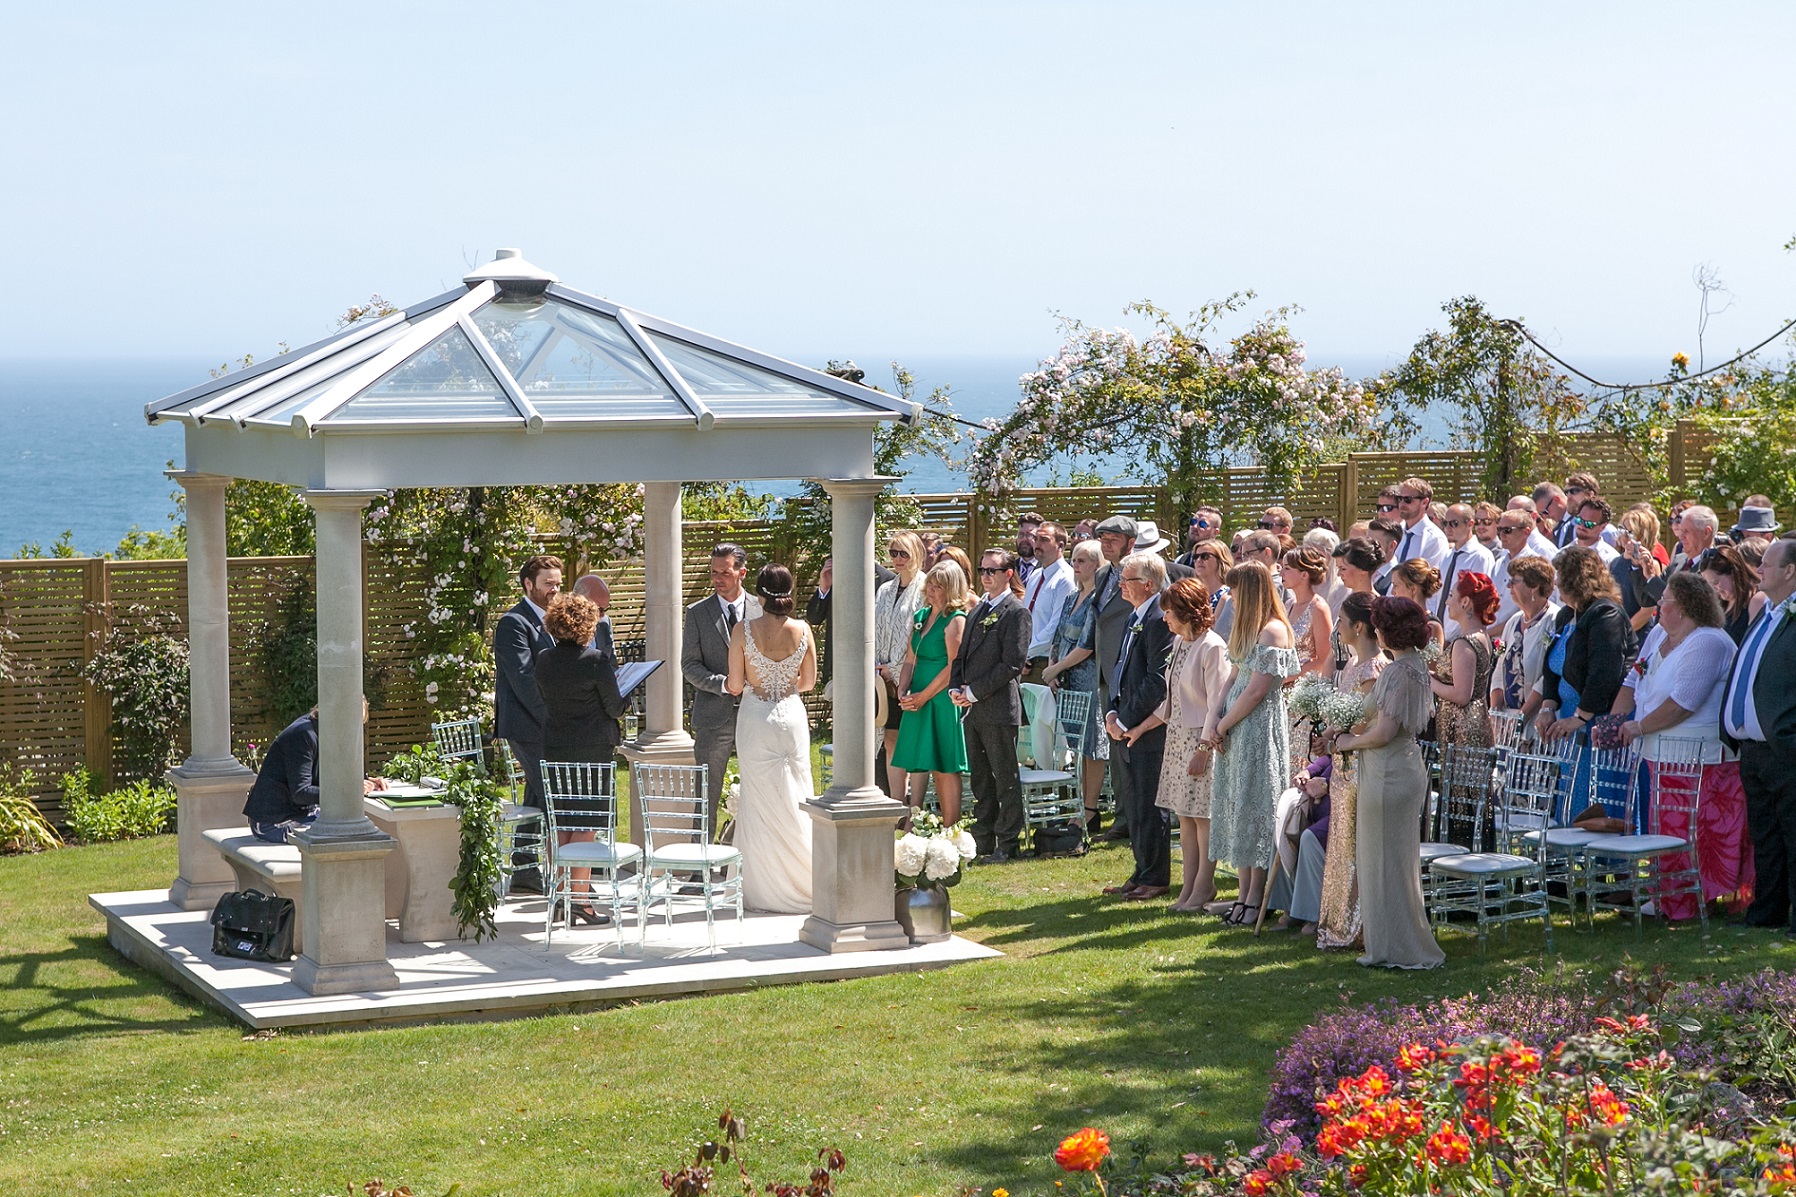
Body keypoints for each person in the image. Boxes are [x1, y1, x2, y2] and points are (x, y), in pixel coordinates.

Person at [1615, 572, 1747, 920]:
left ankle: (1692, 900)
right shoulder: (1659, 633)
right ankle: (1665, 895)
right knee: (1664, 828)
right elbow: (1633, 678)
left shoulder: (1708, 642)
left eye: (1666, 599)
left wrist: (1638, 726)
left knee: (1694, 833)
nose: (1659, 604)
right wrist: (1615, 721)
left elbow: (1683, 702)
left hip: (1700, 760)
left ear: (1686, 606)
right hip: (1658, 755)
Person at [1334, 597, 1446, 970]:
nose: (1376, 630)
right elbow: (1374, 718)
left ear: (1387, 631)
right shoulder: (1412, 664)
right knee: (1390, 862)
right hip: (1398, 769)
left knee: (1386, 864)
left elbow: (1383, 732)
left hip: (1389, 772)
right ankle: (1387, 945)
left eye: (1379, 625)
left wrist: (1349, 742)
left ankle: (1399, 948)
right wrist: (1342, 728)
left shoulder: (1399, 671)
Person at [1124, 577, 1231, 912]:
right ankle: (1188, 887)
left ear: (1187, 611)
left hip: (1201, 738)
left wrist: (1204, 747)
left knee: (1203, 817)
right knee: (1185, 816)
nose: (1165, 618)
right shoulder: (1182, 642)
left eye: (1169, 611)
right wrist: (1140, 728)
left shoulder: (1212, 646)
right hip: (1177, 736)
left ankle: (1203, 887)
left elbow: (1217, 700)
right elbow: (1171, 701)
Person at [1206, 561, 1299, 926]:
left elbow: (1258, 690)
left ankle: (1257, 898)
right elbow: (1232, 678)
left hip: (1257, 731)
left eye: (1236, 590)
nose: (1231, 598)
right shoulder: (1248, 629)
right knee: (1238, 807)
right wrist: (1214, 721)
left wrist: (1225, 722)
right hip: (1235, 730)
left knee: (1256, 806)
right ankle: (1243, 895)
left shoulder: (1273, 631)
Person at [724, 563, 817, 914]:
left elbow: (734, 684)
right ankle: (807, 877)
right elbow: (808, 683)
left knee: (759, 798)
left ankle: (763, 888)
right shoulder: (803, 629)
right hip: (791, 716)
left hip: (755, 717)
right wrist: (786, 683)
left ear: (760, 595)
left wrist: (752, 682)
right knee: (798, 794)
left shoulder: (743, 630)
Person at [534, 592, 629, 927]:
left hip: (557, 746)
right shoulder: (596, 661)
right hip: (591, 749)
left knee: (562, 824)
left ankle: (561, 896)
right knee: (586, 824)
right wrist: (625, 694)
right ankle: (581, 901)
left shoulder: (544, 659)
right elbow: (614, 707)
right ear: (586, 626)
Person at [1722, 536, 1796, 933]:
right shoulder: (1766, 613)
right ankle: (1766, 912)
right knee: (1766, 836)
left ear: (1790, 570)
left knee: (1793, 834)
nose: (1758, 570)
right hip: (1753, 749)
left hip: (1784, 747)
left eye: (1767, 564)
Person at [1314, 592, 1387, 948]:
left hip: (1361, 767)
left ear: (1359, 627)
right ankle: (1339, 921)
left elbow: (1370, 722)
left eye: (1342, 622)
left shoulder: (1374, 669)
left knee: (1356, 846)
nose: (1338, 628)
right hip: (1343, 766)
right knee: (1341, 844)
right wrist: (1327, 734)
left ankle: (1359, 927)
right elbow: (1347, 716)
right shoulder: (1353, 664)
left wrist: (1340, 735)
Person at [1102, 553, 1176, 900]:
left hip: (1149, 729)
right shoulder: (1136, 616)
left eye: (1127, 579)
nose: (1120, 585)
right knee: (1132, 803)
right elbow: (1119, 670)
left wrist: (1126, 719)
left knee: (1149, 803)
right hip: (1125, 724)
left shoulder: (1159, 620)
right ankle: (1141, 869)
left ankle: (1156, 876)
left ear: (1148, 584)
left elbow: (1155, 681)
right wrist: (1111, 714)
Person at [950, 549, 1031, 863]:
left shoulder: (1016, 612)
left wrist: (974, 692)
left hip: (997, 707)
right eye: (982, 570)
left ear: (1008, 574)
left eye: (992, 571)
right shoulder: (978, 608)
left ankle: (1008, 844)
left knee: (1004, 777)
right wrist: (956, 687)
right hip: (972, 708)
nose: (985, 576)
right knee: (981, 778)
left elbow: (1012, 664)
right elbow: (961, 656)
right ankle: (982, 842)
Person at [494, 553, 562, 890]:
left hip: (545, 724)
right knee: (554, 793)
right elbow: (524, 681)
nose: (555, 590)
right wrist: (557, 720)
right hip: (526, 724)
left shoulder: (552, 621)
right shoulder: (513, 623)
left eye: (558, 584)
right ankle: (568, 875)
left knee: (537, 792)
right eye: (549, 584)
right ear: (528, 585)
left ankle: (523, 869)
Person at [683, 544, 760, 835]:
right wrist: (723, 685)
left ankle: (751, 860)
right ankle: (698, 868)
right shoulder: (697, 613)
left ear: (742, 572)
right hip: (714, 717)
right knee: (707, 796)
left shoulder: (760, 609)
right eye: (713, 572)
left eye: (724, 573)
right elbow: (689, 665)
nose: (717, 579)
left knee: (762, 789)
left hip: (757, 713)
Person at [891, 560, 971, 825]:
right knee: (925, 762)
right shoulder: (921, 617)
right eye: (930, 585)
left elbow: (953, 666)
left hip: (941, 700)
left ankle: (952, 828)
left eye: (939, 586)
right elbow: (909, 659)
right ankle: (928, 823)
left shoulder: (956, 620)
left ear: (952, 589)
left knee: (945, 765)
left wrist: (924, 695)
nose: (932, 590)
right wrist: (902, 689)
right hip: (918, 698)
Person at [1041, 539, 1109, 831]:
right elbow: (1058, 636)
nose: (1075, 565)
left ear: (1097, 564)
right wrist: (1052, 668)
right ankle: (1079, 804)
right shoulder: (1071, 596)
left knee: (1092, 746)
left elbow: (1087, 645)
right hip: (1067, 678)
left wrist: (1057, 667)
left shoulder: (1099, 599)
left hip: (1088, 679)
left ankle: (1090, 810)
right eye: (1074, 559)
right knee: (1076, 746)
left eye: (1081, 560)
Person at [244, 702, 383, 844]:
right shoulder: (303, 735)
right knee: (350, 834)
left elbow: (333, 773)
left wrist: (365, 781)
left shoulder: (323, 732)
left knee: (360, 827)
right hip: (272, 823)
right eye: (352, 723)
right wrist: (347, 792)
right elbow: (300, 793)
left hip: (301, 813)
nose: (352, 731)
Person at [1534, 546, 1629, 749]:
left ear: (1575, 580)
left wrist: (1580, 717)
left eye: (1561, 576)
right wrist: (1547, 708)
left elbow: (1604, 672)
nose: (1557, 582)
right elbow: (1551, 670)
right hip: (1567, 718)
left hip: (1595, 720)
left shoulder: (1605, 614)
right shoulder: (1566, 615)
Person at [1432, 572, 1499, 846]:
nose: (1447, 602)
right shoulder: (1480, 636)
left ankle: (1462, 860)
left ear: (1466, 602)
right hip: (1469, 726)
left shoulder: (1464, 643)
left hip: (1463, 730)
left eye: (1451, 596)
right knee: (1467, 797)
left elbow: (1461, 694)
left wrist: (1428, 681)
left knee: (1463, 798)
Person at [875, 533, 929, 799]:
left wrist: (896, 670)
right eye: (893, 553)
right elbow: (875, 629)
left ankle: (915, 809)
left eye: (903, 553)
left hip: (913, 674)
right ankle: (897, 804)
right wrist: (879, 667)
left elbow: (921, 633)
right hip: (882, 676)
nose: (897, 559)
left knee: (915, 742)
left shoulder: (925, 588)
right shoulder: (885, 589)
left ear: (917, 554)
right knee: (891, 739)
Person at [1492, 556, 1561, 712]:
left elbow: (1549, 675)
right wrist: (1495, 710)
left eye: (1514, 581)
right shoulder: (1514, 621)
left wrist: (1523, 716)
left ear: (1534, 586)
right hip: (1506, 719)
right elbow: (1500, 668)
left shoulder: (1555, 620)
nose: (1509, 586)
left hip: (1537, 719)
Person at [1022, 521, 1076, 682]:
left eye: (1044, 540)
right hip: (1026, 660)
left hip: (1045, 662)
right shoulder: (1036, 575)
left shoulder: (1066, 579)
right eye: (1036, 539)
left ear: (1060, 546)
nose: (1037, 544)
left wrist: (1025, 652)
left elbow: (1056, 628)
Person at [1436, 504, 1496, 640]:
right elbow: (1439, 595)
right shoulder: (1447, 556)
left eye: (1454, 523)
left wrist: (1457, 636)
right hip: (1440, 634)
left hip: (1463, 636)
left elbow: (1477, 601)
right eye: (1445, 523)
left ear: (1470, 524)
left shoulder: (1480, 556)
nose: (1448, 528)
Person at [1280, 546, 1334, 681]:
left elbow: (1324, 658)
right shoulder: (1288, 604)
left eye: (1287, 568)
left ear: (1304, 574)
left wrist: (1287, 678)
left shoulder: (1318, 608)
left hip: (1303, 686)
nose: (1281, 573)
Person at [1611, 505, 1666, 638]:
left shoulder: (1650, 564)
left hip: (1637, 635)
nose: (1624, 536)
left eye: (1630, 533)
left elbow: (1648, 610)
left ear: (1643, 535)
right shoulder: (1615, 561)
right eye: (1622, 529)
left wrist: (1624, 631)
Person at [1490, 510, 1550, 629]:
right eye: (1499, 530)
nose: (1502, 535)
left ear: (1526, 532)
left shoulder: (1534, 565)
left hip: (1520, 633)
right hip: (1493, 636)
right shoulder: (1498, 564)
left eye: (1507, 530)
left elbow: (1532, 609)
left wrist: (1490, 632)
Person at [1699, 543, 1761, 644]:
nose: (1714, 589)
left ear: (1734, 573)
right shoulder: (1719, 604)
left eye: (1716, 582)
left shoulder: (1754, 602)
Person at [1391, 477, 1449, 571]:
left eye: (1408, 499)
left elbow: (1429, 580)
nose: (1401, 504)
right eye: (1399, 498)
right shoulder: (1396, 532)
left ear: (1424, 502)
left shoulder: (1435, 539)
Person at [1388, 558, 1445, 649]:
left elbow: (1431, 662)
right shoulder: (1397, 619)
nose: (1392, 592)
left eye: (1396, 586)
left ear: (1413, 589)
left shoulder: (1431, 626)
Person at [1188, 537, 1235, 639]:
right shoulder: (1193, 595)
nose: (1199, 560)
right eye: (1195, 557)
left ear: (1221, 560)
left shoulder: (1229, 595)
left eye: (1205, 556)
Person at [1303, 527, 1347, 616]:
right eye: (1306, 554)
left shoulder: (1342, 588)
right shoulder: (1300, 581)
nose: (1311, 559)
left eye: (1318, 555)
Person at [571, 573, 614, 656]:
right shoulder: (561, 627)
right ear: (577, 601)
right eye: (599, 609)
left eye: (606, 608)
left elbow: (612, 664)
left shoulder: (605, 623)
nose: (602, 615)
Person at [1571, 496, 1621, 566]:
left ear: (1602, 527)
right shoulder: (1562, 553)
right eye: (1579, 520)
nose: (1582, 526)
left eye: (1589, 524)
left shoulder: (1611, 559)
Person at [1673, 504, 1722, 572]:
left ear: (1706, 533)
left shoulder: (1715, 568)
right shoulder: (1677, 560)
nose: (1681, 537)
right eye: (1681, 531)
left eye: (1686, 531)